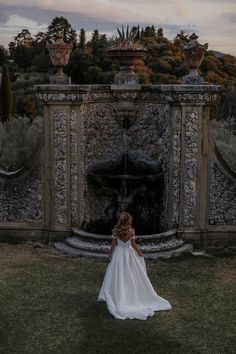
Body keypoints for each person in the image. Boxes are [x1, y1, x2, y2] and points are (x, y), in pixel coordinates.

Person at [98, 212, 172, 320]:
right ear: (129, 221)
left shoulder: (115, 231)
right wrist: (139, 252)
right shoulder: (132, 231)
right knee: (131, 272)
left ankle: (117, 291)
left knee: (117, 273)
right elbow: (133, 245)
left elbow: (113, 246)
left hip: (119, 254)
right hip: (129, 254)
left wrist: (110, 256)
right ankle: (130, 290)